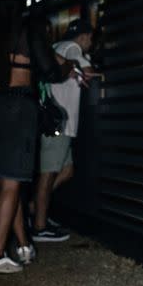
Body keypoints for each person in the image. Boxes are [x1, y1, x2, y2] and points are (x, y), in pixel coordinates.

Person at [0, 0, 81, 275]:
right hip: (18, 109)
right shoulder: (29, 33)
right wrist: (69, 66)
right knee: (12, 182)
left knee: (4, 181)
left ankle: (22, 245)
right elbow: (51, 73)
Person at [31, 17, 100, 243]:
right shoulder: (72, 48)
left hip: (58, 125)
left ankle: (35, 209)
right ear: (83, 36)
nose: (91, 42)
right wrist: (87, 64)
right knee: (48, 174)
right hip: (58, 125)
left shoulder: (55, 47)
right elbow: (86, 69)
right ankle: (39, 226)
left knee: (66, 171)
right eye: (90, 38)